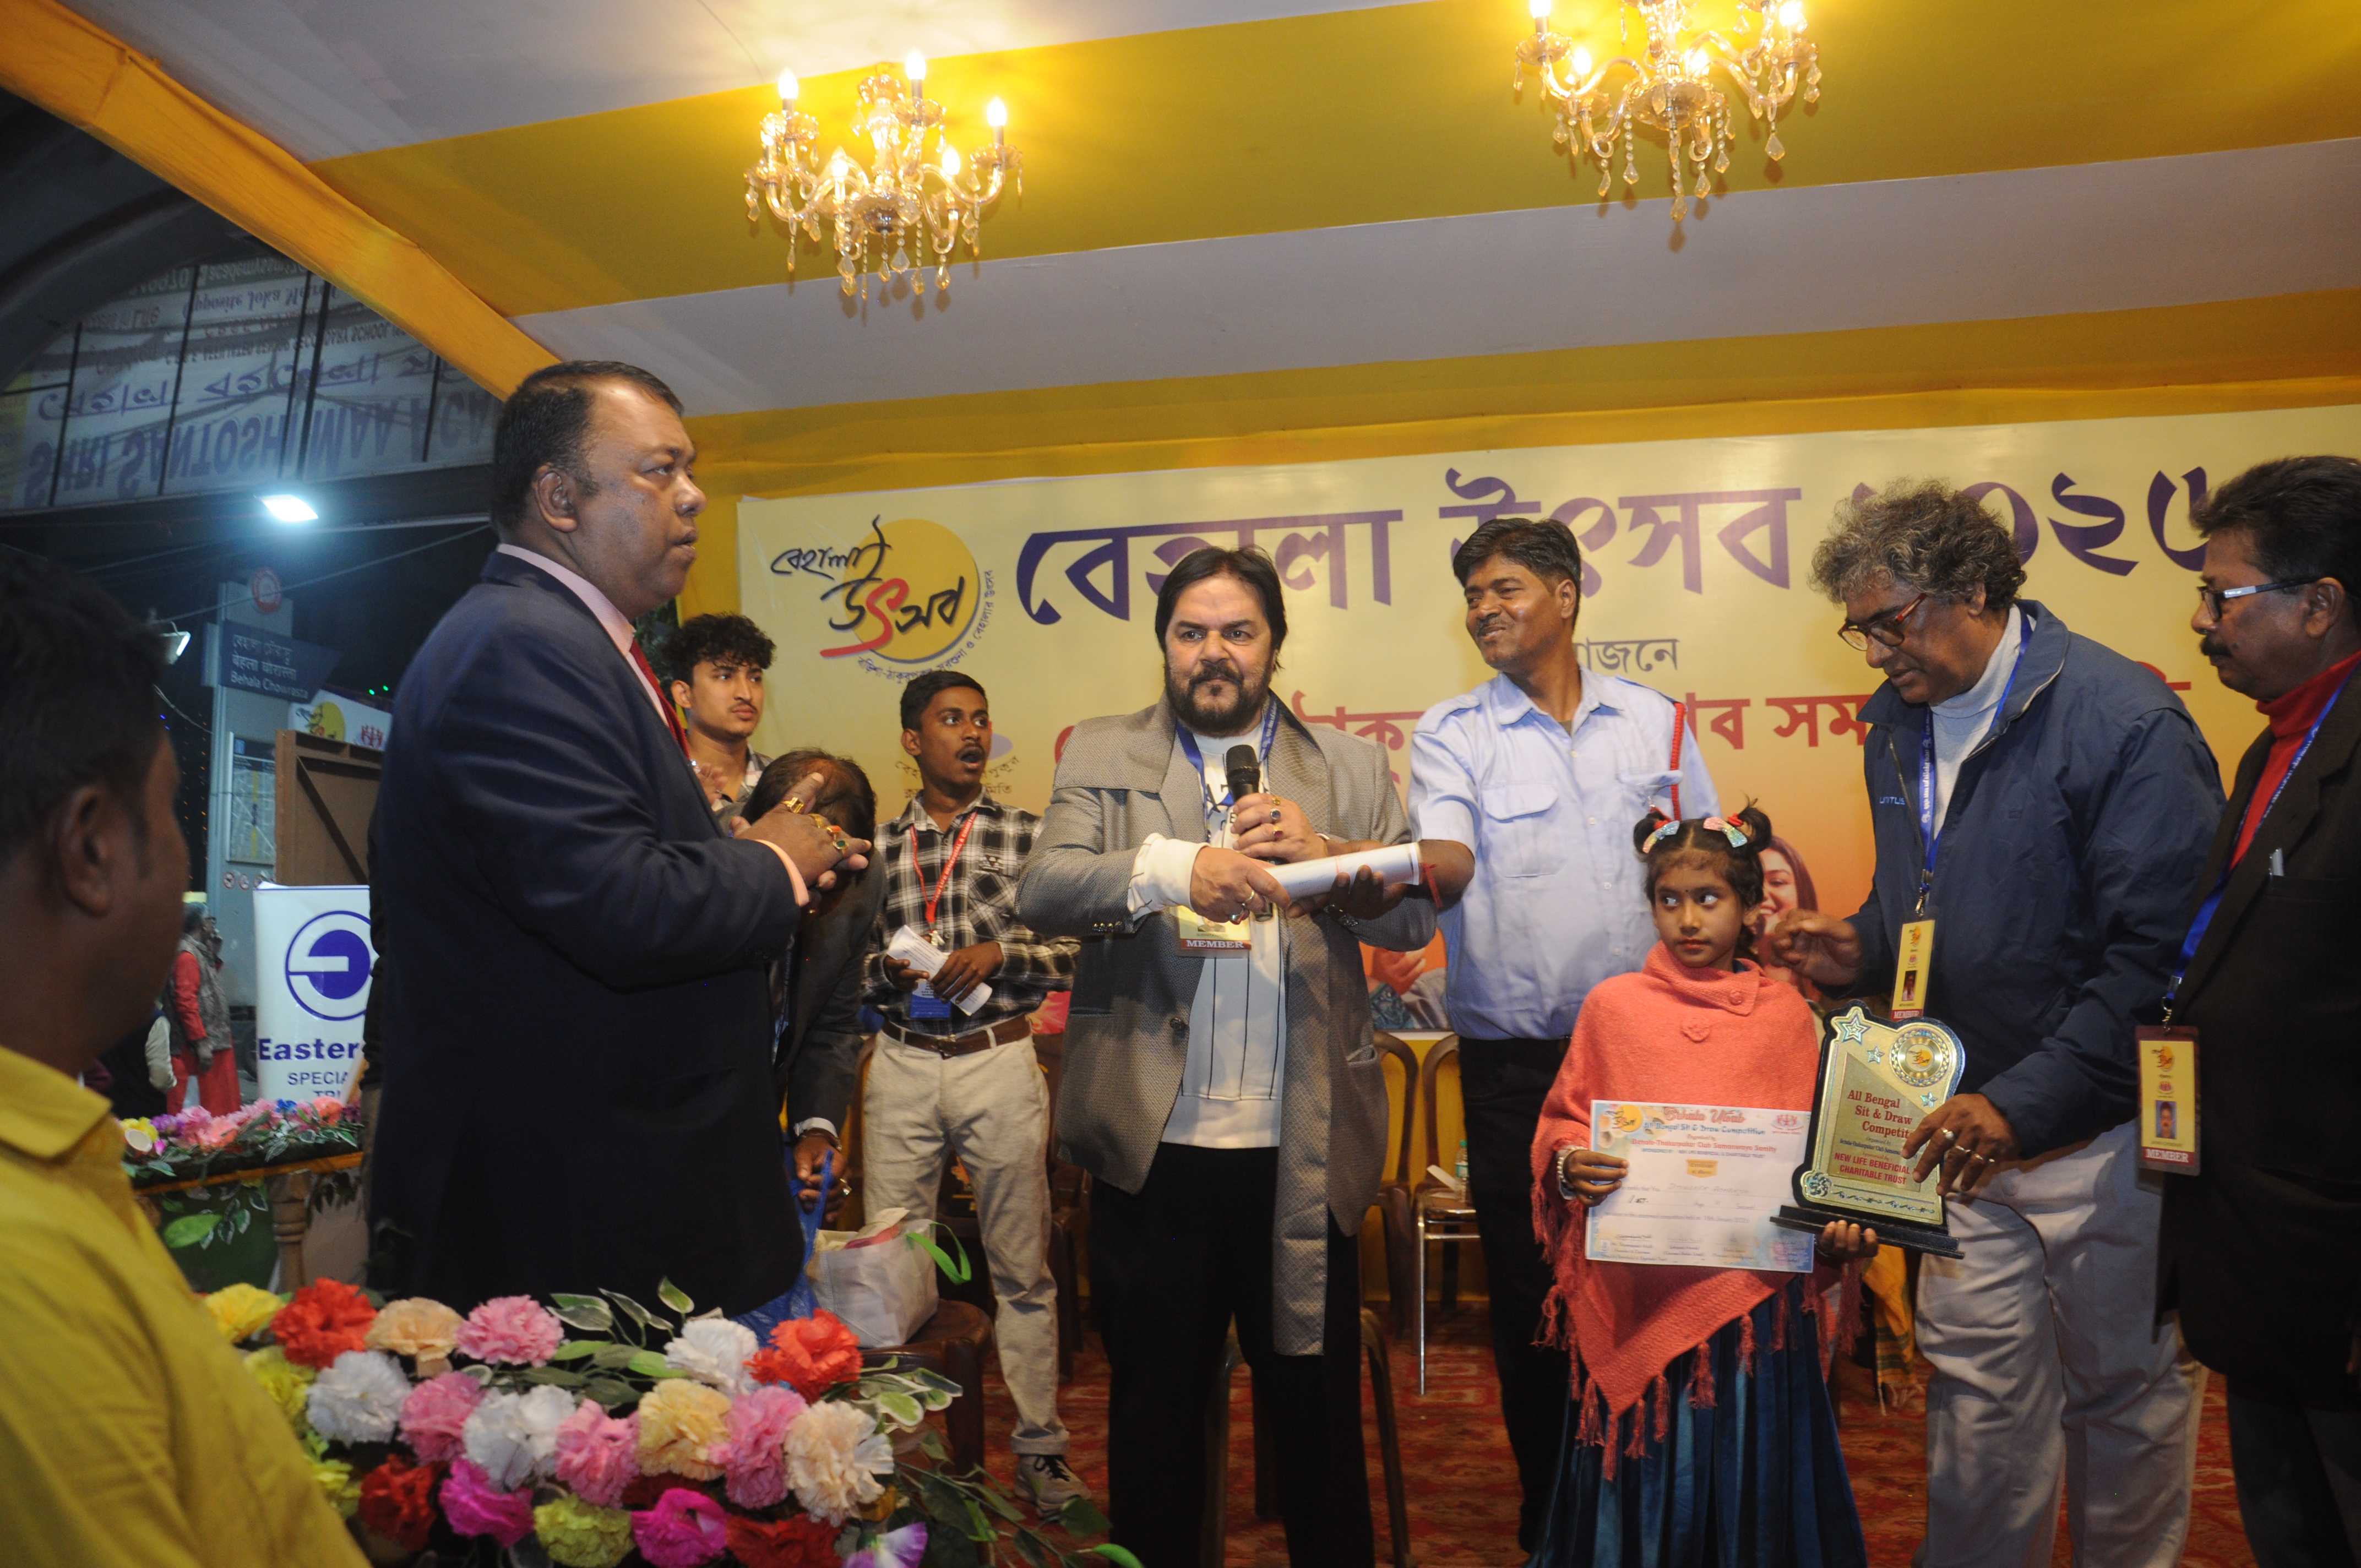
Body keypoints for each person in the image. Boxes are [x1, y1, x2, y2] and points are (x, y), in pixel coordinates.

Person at [1768, 479, 2223, 1568]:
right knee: (1976, 1411)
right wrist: (1860, 944)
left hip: (2102, 1136)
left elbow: (2155, 962)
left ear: (1973, 591)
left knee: (2121, 1403)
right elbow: (1924, 901)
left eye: (1889, 621)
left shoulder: (2125, 722)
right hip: (1957, 1133)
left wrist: (2017, 1106)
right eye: (1857, 628)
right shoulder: (1894, 724)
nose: (1874, 651)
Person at [368, 360, 868, 1315]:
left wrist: (740, 857)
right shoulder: (519, 647)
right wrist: (774, 859)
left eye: (691, 469)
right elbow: (617, 901)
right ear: (560, 499)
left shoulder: (572, 640)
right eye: (658, 470)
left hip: (632, 1192)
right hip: (581, 1212)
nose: (693, 495)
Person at [1018, 546, 1436, 1567]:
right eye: (1191, 632)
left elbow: (1415, 911)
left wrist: (1326, 856)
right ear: (1164, 643)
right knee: (1154, 1424)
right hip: (1153, 1150)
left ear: (1274, 646)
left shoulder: (1347, 765)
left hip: (1304, 1147)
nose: (1213, 653)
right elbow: (1046, 888)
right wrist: (1175, 867)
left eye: (1237, 632)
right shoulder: (1103, 750)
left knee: (1316, 1424)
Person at [0, 553, 367, 1565]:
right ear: (92, 851)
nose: (181, 861)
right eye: (168, 809)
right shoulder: (24, 1275)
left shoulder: (53, 1174)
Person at [1407, 515, 1717, 1549]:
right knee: (1532, 1300)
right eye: (1472, 597)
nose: (1483, 609)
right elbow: (1444, 859)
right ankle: (1554, 1515)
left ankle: (1664, 1506)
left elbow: (1707, 867)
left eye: (1504, 589)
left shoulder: (1655, 723)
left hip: (1657, 1055)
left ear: (1567, 595)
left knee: (1662, 1286)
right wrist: (1362, 864)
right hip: (1518, 1073)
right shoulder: (1452, 732)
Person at [1530, 807, 1878, 1566]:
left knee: (1748, 1467)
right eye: (1669, 899)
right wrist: (1569, 1165)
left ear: (1752, 907)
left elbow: (1820, 1155)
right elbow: (1565, 1122)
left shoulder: (1788, 1016)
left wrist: (1839, 1220)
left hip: (1753, 1303)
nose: (1687, 919)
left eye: (1708, 898)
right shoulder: (1614, 1007)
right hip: (1639, 1283)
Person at [2157, 454, 2361, 1566]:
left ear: (2317, 602)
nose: (2200, 620)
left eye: (2220, 595)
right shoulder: (2274, 738)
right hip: (2259, 1246)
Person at [862, 669, 1086, 1510]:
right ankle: (904, 1456)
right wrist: (886, 972)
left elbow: (1079, 952)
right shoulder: (878, 849)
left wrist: (1003, 954)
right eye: (951, 719)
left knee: (1022, 1267)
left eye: (981, 720)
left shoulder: (1032, 837)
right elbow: (845, 969)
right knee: (893, 1266)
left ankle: (1041, 1449)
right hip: (903, 1059)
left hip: (998, 1056)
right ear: (913, 741)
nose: (971, 733)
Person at [739, 750, 884, 1216]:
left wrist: (816, 1131)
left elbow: (832, 1023)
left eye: (831, 882)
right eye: (804, 877)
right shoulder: (697, 861)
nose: (814, 898)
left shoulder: (865, 876)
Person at [665, 611, 775, 812]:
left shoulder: (781, 782)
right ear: (684, 694)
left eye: (755, 678)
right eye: (725, 677)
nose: (746, 694)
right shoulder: (660, 779)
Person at [165, 908, 237, 1113]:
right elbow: (186, 1002)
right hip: (198, 1050)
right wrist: (200, 1042)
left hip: (211, 1044)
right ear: (202, 925)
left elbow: (206, 986)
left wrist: (213, 955)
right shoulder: (187, 956)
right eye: (210, 920)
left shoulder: (196, 951)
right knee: (207, 1113)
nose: (213, 926)